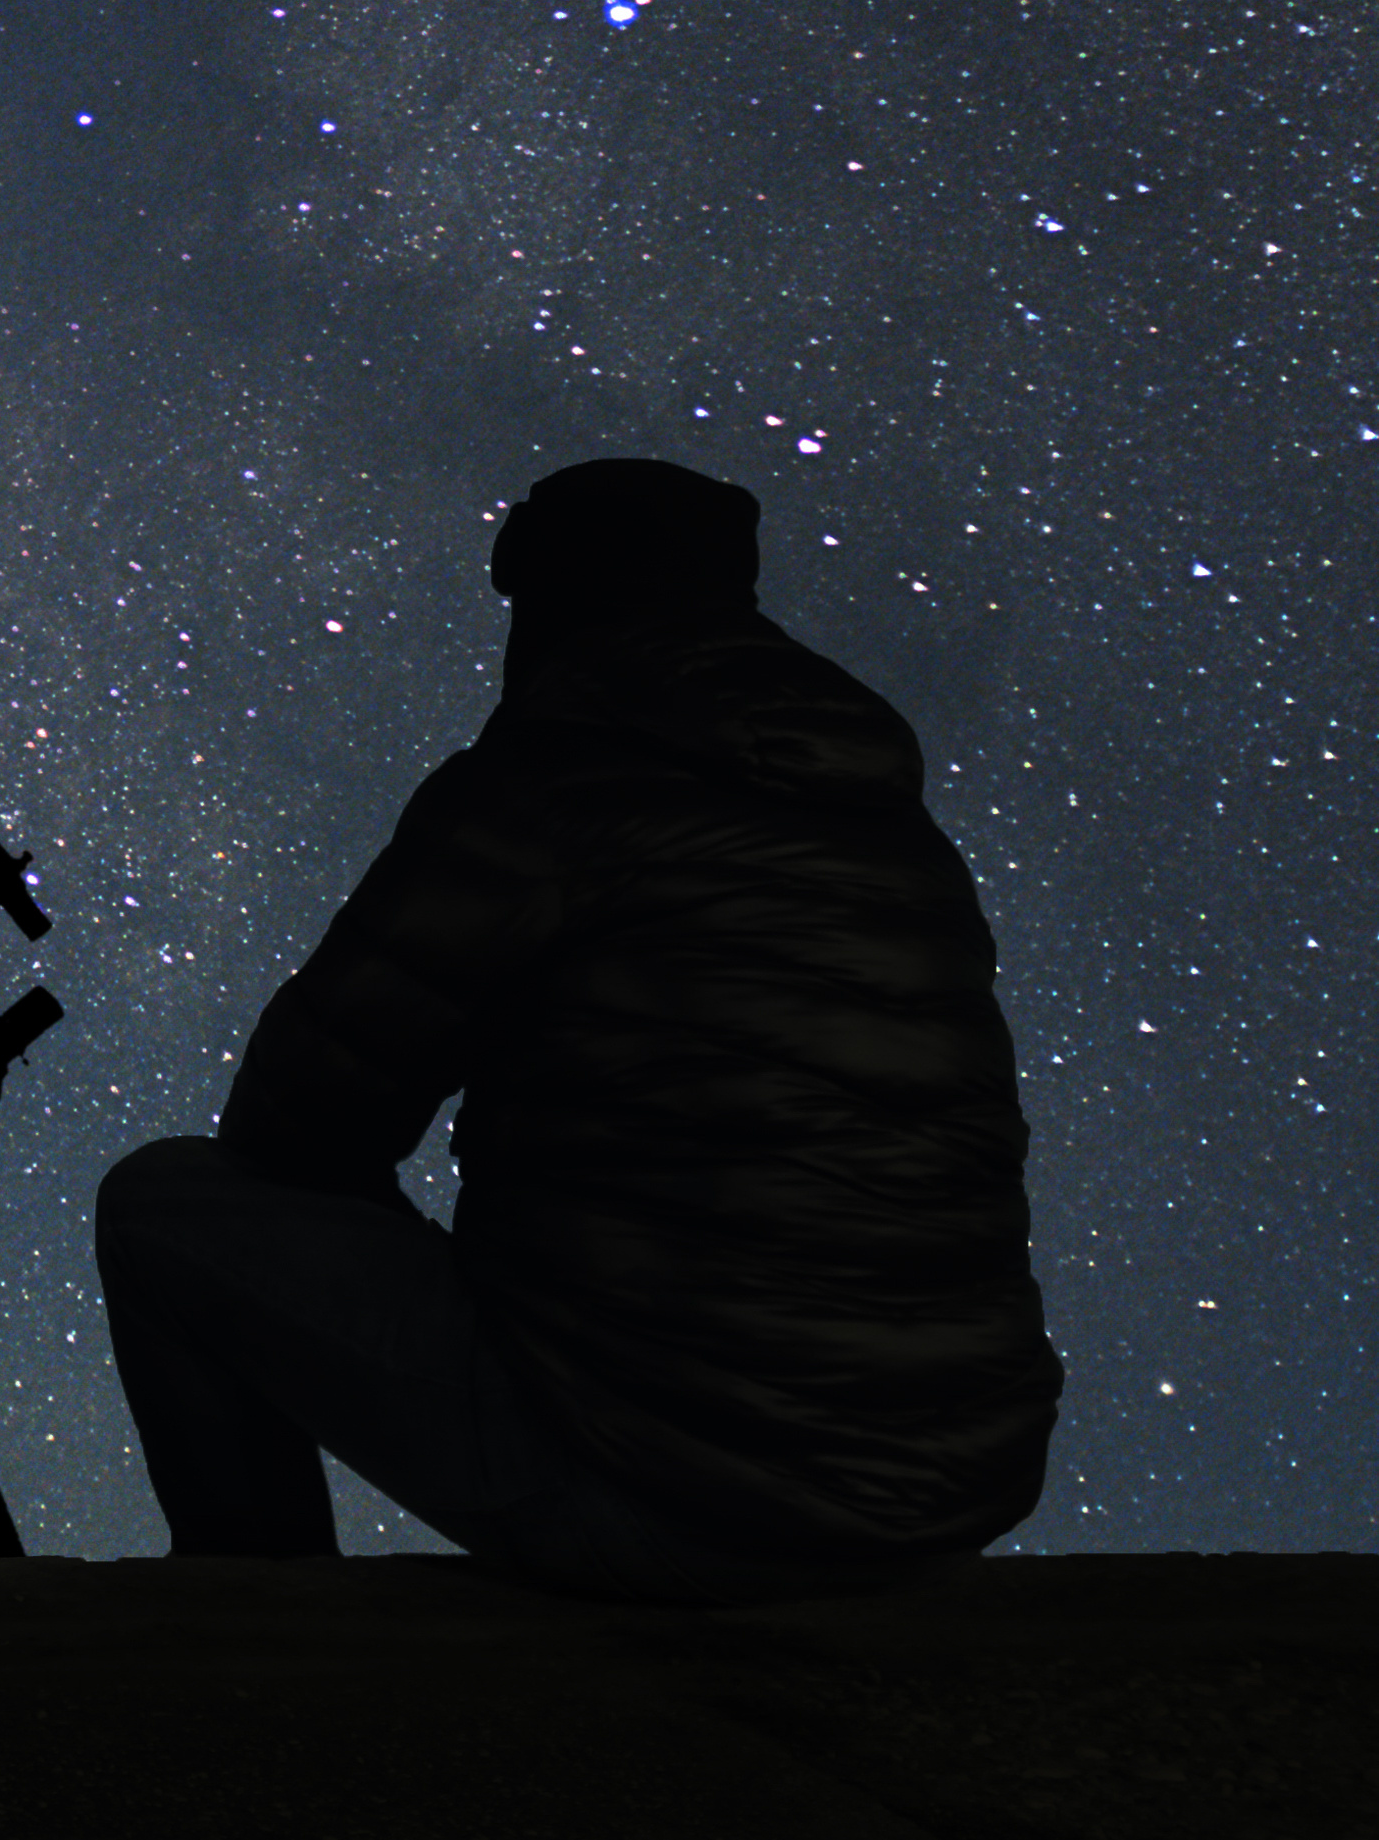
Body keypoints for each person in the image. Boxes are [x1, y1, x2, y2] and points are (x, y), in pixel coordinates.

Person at [95, 456, 1060, 1598]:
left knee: (167, 1208)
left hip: (685, 1499)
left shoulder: (551, 786)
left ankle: (259, 1640)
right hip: (939, 1493)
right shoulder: (898, 838)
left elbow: (296, 1121)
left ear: (553, 591)